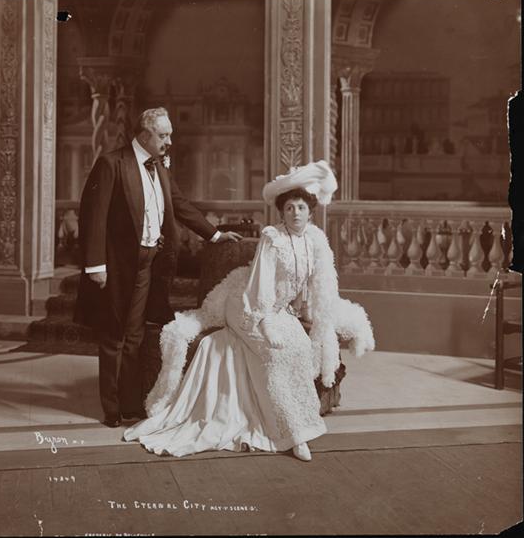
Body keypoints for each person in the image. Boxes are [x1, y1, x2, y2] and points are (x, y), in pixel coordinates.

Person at [124, 161, 375, 461]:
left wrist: (298, 309)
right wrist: (265, 322)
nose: (295, 213)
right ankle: (293, 435)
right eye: (290, 208)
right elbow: (260, 286)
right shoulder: (272, 238)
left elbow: (311, 284)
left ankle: (301, 426)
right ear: (281, 212)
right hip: (246, 306)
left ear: (310, 212)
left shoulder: (314, 241)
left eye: (301, 208)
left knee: (299, 348)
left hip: (280, 311)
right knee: (274, 353)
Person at [74, 107, 242, 429]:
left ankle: (130, 404)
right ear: (144, 134)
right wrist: (95, 266)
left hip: (149, 264)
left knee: (135, 334)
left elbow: (179, 205)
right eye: (163, 135)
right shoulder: (112, 163)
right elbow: (93, 217)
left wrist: (215, 234)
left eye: (170, 135)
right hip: (116, 265)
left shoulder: (160, 165)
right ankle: (111, 409)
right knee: (113, 335)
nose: (169, 141)